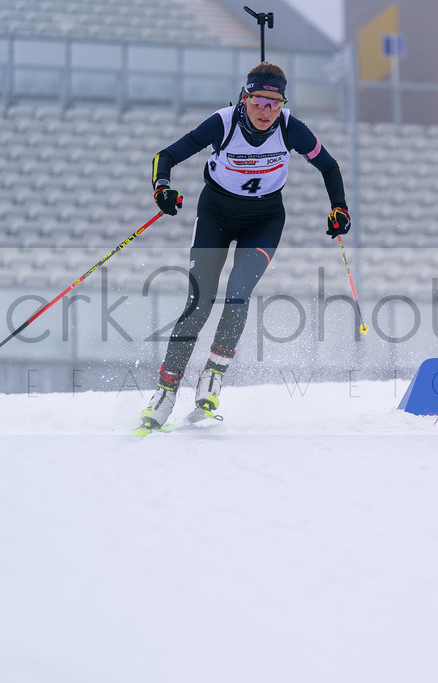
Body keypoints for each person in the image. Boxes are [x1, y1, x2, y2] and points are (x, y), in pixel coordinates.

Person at [138, 62, 351, 431]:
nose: (266, 111)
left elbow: (329, 167)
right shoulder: (222, 123)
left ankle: (213, 377)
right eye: (259, 101)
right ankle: (165, 392)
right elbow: (166, 156)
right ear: (244, 97)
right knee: (200, 302)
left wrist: (339, 208)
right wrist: (162, 187)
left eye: (275, 103)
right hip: (216, 216)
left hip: (263, 220)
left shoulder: (290, 127)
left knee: (238, 292)